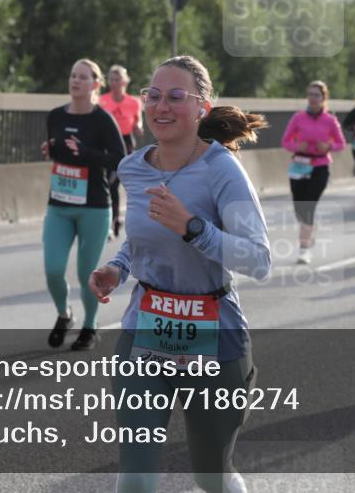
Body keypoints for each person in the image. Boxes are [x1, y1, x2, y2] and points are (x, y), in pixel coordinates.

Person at [87, 55, 270, 493]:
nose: (160, 106)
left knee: (211, 474)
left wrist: (194, 228)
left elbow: (259, 260)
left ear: (202, 108)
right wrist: (119, 267)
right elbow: (145, 237)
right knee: (135, 474)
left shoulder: (222, 169)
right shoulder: (134, 167)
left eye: (175, 97)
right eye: (153, 95)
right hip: (146, 330)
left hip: (215, 335)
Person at [41, 59, 126, 351]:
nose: (75, 81)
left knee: (85, 274)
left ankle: (90, 325)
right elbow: (59, 150)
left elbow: (118, 159)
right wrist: (51, 150)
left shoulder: (103, 120)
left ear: (95, 84)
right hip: (59, 205)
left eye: (83, 77)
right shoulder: (54, 116)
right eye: (72, 75)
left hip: (94, 207)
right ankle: (65, 314)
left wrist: (88, 153)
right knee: (53, 269)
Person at [281, 80, 346, 264]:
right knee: (299, 210)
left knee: (308, 206)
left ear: (324, 98)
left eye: (316, 95)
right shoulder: (298, 118)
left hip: (320, 166)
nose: (312, 98)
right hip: (299, 165)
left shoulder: (330, 120)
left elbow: (341, 144)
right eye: (310, 94)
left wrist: (328, 146)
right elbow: (285, 142)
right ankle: (309, 233)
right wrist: (297, 145)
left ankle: (304, 250)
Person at [100, 65, 144, 238]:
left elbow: (138, 121)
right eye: (111, 79)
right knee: (107, 183)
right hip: (105, 143)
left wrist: (138, 128)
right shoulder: (102, 100)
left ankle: (115, 221)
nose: (114, 83)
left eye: (117, 79)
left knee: (115, 183)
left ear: (125, 81)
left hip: (125, 144)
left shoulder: (133, 102)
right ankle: (110, 221)